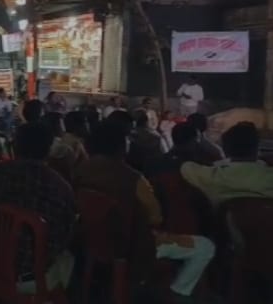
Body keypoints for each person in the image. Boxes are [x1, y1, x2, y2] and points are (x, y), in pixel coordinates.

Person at [75, 121, 215, 299]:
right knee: (205, 246)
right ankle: (178, 292)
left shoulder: (81, 170)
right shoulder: (133, 178)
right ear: (120, 146)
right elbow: (155, 217)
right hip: (135, 246)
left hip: (93, 239)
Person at [0, 122, 76, 292]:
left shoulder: (0, 171)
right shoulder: (60, 186)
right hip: (32, 277)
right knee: (70, 257)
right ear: (48, 150)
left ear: (15, 146)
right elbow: (66, 232)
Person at [181, 122, 273, 206]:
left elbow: (186, 167)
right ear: (257, 149)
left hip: (222, 218)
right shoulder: (269, 177)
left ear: (225, 151)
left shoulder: (212, 176)